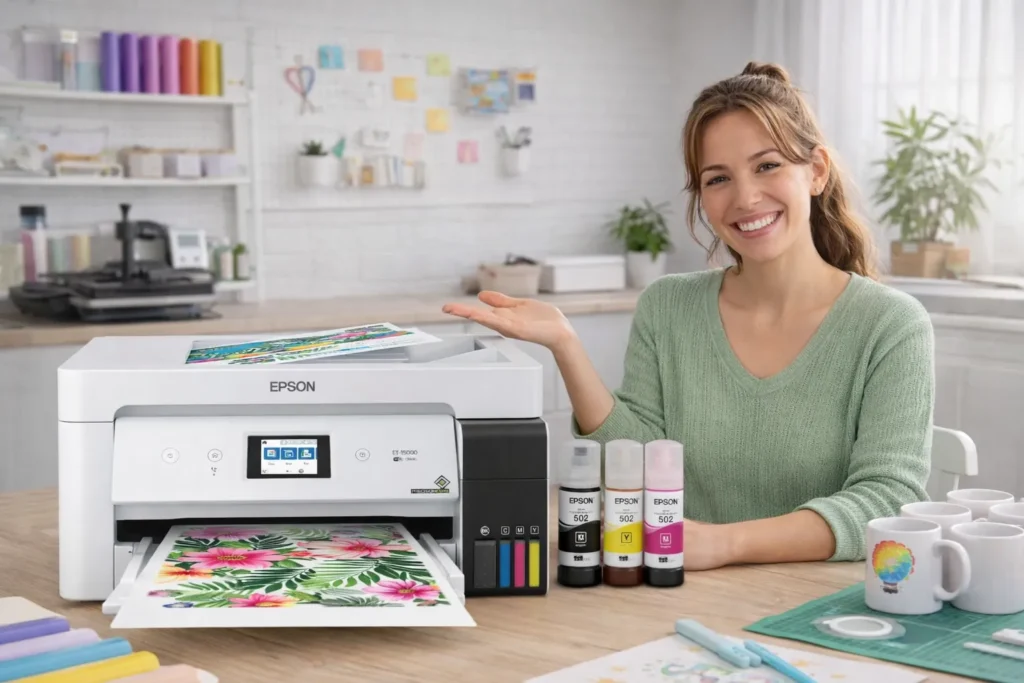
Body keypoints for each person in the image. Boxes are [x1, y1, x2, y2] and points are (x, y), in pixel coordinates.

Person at [442, 61, 935, 571]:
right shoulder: (668, 306)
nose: (745, 198)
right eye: (718, 178)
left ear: (816, 171)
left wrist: (727, 544)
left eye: (767, 166)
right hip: (681, 594)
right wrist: (566, 345)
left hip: (823, 609)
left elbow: (887, 500)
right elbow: (630, 462)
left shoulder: (890, 325)